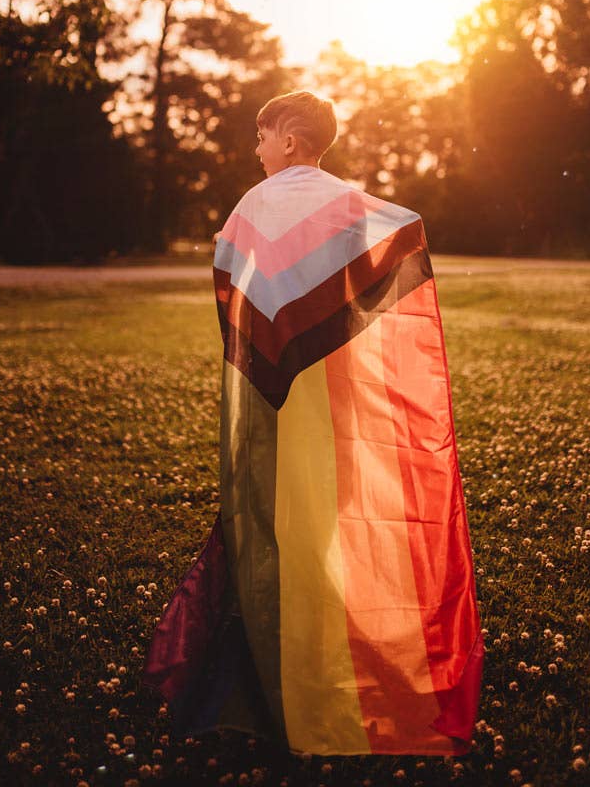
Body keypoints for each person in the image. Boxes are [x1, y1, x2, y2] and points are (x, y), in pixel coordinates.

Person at [144, 90, 484, 757]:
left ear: (290, 142)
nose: (257, 150)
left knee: (268, 527)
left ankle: (257, 677)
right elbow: (390, 246)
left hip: (271, 406)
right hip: (335, 408)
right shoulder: (347, 204)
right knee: (322, 526)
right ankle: (326, 655)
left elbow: (234, 287)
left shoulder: (255, 203)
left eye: (262, 137)